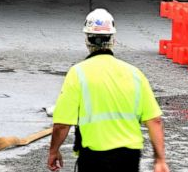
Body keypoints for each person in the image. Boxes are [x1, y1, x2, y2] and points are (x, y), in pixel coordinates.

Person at [48, 9, 167, 172]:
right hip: (129, 157)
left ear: (87, 40)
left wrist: (54, 151)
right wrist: (160, 159)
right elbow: (155, 121)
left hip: (94, 157)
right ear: (113, 40)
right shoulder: (134, 74)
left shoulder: (78, 73)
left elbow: (62, 125)